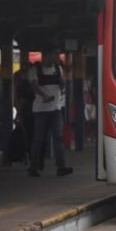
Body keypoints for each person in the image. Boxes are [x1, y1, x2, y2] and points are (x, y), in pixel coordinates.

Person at [27, 46, 72, 177]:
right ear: (46, 56)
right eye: (54, 55)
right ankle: (33, 167)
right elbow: (34, 85)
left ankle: (61, 167)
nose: (56, 58)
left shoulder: (59, 69)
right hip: (40, 110)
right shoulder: (35, 70)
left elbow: (62, 86)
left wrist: (63, 84)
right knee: (38, 139)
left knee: (58, 137)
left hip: (55, 109)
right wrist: (44, 96)